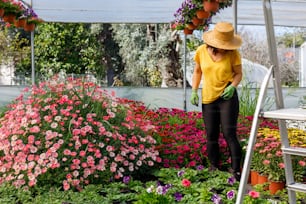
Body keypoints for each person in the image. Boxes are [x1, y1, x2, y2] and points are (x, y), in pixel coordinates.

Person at [190, 22, 243, 181]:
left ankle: (236, 170)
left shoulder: (233, 54)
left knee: (229, 134)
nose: (225, 48)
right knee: (211, 135)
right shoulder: (201, 51)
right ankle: (214, 167)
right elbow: (197, 71)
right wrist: (194, 90)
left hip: (227, 97)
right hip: (208, 97)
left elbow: (238, 74)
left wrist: (233, 86)